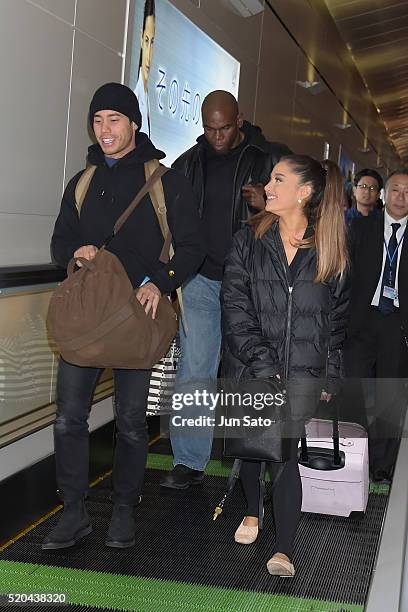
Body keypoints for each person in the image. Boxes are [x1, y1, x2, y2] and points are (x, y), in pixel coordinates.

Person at [43, 82, 204, 550]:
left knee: (132, 421)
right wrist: (76, 250)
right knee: (68, 418)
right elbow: (58, 243)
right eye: (98, 120)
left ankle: (122, 511)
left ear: (134, 123)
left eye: (115, 119)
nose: (105, 129)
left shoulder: (164, 180)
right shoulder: (82, 182)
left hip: (137, 316)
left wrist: (161, 282)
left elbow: (192, 247)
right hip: (87, 319)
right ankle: (73, 514)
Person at [221, 155, 349, 577]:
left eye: (279, 179)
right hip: (253, 368)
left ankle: (285, 548)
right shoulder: (247, 240)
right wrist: (262, 363)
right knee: (255, 450)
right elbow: (235, 307)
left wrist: (330, 374)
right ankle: (253, 512)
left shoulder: (330, 249)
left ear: (305, 192)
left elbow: (337, 321)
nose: (268, 185)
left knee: (285, 456)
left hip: (301, 373)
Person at [160, 90, 291, 490]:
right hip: (200, 278)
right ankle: (189, 460)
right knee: (195, 368)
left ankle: (260, 457)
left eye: (225, 127)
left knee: (254, 369)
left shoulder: (270, 158)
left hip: (250, 281)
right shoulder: (188, 163)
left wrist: (267, 203)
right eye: (209, 129)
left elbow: (306, 209)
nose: (217, 136)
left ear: (240, 120)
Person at [344, 169, 408, 482]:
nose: (401, 196)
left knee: (391, 396)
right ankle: (354, 455)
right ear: (385, 194)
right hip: (361, 320)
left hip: (399, 324)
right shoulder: (362, 227)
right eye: (396, 189)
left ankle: (382, 464)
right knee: (352, 390)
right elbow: (344, 276)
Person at [134, 0, 155, 136]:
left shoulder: (148, 96)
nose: (149, 54)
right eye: (146, 40)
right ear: (141, 38)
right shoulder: (134, 100)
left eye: (152, 42)